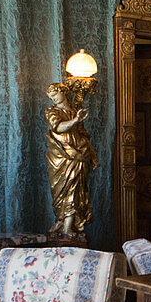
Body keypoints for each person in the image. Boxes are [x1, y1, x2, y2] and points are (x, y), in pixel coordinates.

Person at [46, 82, 98, 237]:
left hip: (78, 155)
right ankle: (61, 220)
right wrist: (75, 120)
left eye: (55, 95)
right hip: (60, 157)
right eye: (51, 97)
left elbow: (83, 135)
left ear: (63, 92)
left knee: (75, 189)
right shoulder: (52, 111)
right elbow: (58, 127)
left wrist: (92, 154)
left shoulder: (75, 111)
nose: (53, 99)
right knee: (60, 190)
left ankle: (69, 226)